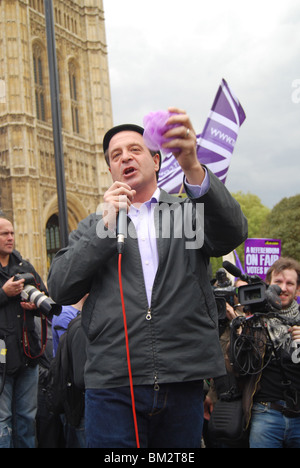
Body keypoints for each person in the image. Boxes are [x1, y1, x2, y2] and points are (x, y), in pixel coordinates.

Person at [48, 107, 248, 448]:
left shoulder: (186, 214)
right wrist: (105, 227)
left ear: (156, 161)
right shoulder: (95, 225)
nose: (125, 157)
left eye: (135, 149)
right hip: (113, 385)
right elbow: (60, 286)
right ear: (111, 170)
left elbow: (232, 232)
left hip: (182, 377)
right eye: (115, 155)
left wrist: (193, 167)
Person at [0, 216, 48, 448]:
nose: (10, 238)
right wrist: (3, 293)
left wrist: (35, 306)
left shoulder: (24, 266)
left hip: (28, 354)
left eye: (11, 233)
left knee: (27, 418)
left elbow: (46, 299)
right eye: (4, 234)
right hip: (1, 360)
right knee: (3, 421)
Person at [247, 257, 300, 448]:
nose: (283, 288)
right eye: (278, 282)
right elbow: (235, 367)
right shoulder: (254, 321)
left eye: (289, 283)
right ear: (268, 284)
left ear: (298, 289)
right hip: (265, 414)